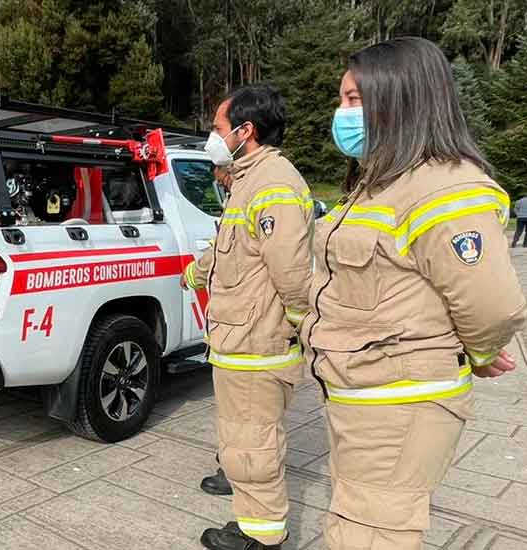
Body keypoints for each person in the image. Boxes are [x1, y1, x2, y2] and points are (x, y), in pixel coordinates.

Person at [304, 37, 526, 550]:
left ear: (401, 98)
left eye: (355, 99)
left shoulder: (445, 189)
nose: (343, 113)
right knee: (355, 523)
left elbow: (493, 306)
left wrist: (481, 350)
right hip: (363, 394)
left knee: (368, 536)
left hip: (400, 403)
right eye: (342, 99)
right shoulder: (379, 181)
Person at [182, 85, 315, 550]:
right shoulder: (249, 181)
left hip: (259, 344)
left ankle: (262, 536)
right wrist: (194, 275)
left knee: (255, 444)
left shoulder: (273, 183)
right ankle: (250, 509)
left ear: (246, 130)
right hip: (240, 340)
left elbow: (293, 273)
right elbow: (233, 251)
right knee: (244, 441)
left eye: (218, 128)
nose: (212, 138)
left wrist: (295, 325)